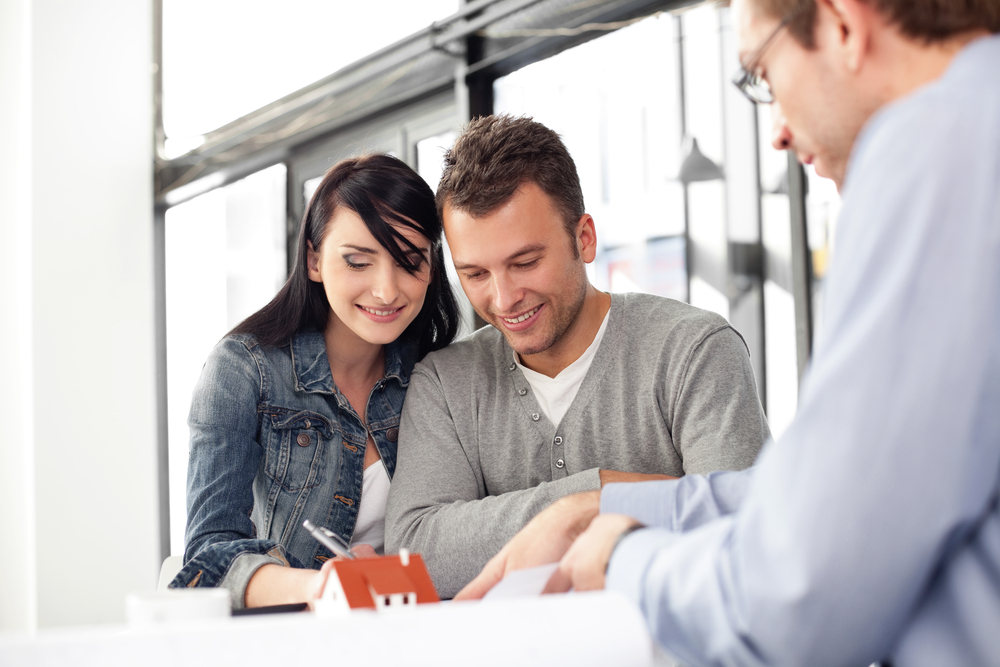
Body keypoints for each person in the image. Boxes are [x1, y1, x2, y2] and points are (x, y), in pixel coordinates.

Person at [457, 1, 1000, 665]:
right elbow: (832, 493)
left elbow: (796, 599)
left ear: (842, 24)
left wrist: (628, 556)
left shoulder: (937, 149)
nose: (774, 130)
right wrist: (594, 508)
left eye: (762, 73)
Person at [385, 115, 770, 598]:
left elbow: (743, 533)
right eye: (476, 274)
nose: (503, 299)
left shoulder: (692, 351)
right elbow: (417, 551)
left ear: (584, 238)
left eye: (525, 263)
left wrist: (577, 513)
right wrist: (600, 493)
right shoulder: (445, 383)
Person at [170, 154, 460, 609]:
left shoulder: (440, 373)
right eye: (358, 262)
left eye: (409, 262)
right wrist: (325, 586)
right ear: (313, 260)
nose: (386, 290)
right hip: (297, 635)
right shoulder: (243, 370)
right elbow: (207, 558)